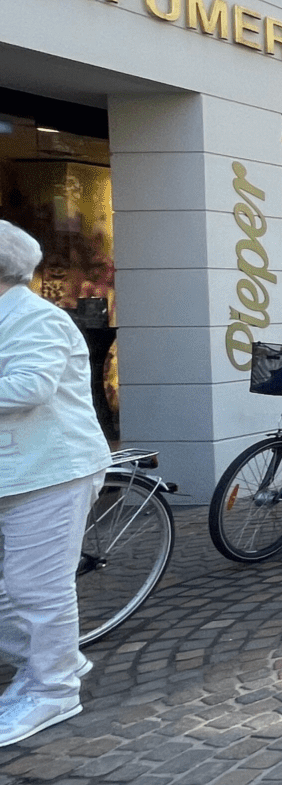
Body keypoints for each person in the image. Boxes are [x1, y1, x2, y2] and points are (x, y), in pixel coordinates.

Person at [0, 221, 112, 746]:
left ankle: (52, 689)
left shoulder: (36, 318)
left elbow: (30, 386)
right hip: (16, 469)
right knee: (14, 593)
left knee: (35, 589)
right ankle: (49, 660)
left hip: (49, 470)